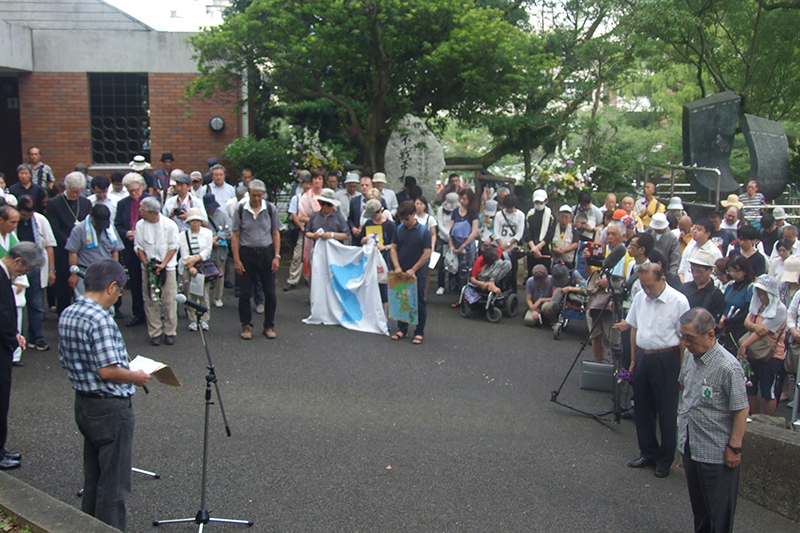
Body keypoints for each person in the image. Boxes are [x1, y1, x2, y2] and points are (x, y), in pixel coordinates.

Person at [58, 258, 150, 531]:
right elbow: (108, 371)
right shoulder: (100, 319)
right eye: (120, 290)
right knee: (114, 486)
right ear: (111, 287)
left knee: (93, 478)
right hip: (111, 407)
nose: (119, 295)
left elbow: (65, 360)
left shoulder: (69, 312)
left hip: (84, 403)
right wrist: (137, 375)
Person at [678, 307, 748, 533]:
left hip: (716, 451)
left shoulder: (728, 367)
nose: (686, 343)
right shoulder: (690, 355)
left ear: (710, 334)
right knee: (700, 509)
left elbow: (741, 409)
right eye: (683, 337)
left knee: (719, 513)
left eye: (690, 338)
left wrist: (734, 447)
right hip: (691, 443)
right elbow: (684, 385)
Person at [623, 263, 690, 479]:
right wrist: (633, 359)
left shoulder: (679, 301)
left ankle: (664, 459)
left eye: (650, 285)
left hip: (667, 357)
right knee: (642, 408)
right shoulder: (641, 297)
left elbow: (684, 340)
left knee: (667, 411)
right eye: (643, 285)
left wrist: (682, 370)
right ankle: (647, 452)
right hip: (644, 355)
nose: (647, 290)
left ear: (663, 280)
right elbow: (634, 327)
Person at [231, 179, 282, 340]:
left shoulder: (270, 209)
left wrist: (276, 256)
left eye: (260, 195)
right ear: (249, 194)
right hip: (247, 253)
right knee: (245, 293)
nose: (257, 199)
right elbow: (235, 235)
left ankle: (269, 325)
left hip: (266, 253)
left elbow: (275, 233)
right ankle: (246, 325)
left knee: (270, 293)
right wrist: (237, 259)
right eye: (254, 195)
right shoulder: (240, 209)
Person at [134, 197, 180, 346]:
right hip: (148, 267)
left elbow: (173, 247)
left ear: (153, 212)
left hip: (167, 267)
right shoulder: (140, 225)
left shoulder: (170, 225)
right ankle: (155, 332)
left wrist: (163, 264)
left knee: (169, 299)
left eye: (142, 210)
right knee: (150, 299)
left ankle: (170, 331)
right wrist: (148, 265)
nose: (140, 213)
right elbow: (139, 247)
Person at [738, 275, 786, 416]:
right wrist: (755, 326)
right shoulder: (758, 305)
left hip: (771, 355)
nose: (759, 295)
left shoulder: (780, 309)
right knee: (751, 388)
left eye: (762, 292)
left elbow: (763, 331)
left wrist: (744, 345)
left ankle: (768, 422)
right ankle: (755, 416)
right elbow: (748, 322)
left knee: (768, 392)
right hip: (755, 352)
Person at [47, 172, 93, 313]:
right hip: (63, 251)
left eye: (78, 192)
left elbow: (89, 226)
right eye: (73, 192)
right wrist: (71, 243)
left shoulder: (85, 202)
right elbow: (54, 228)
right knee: (64, 289)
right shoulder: (53, 203)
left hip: (83, 252)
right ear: (66, 187)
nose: (75, 195)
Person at [14, 196, 56, 351]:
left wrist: (51, 270)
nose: (26, 218)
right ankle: (16, 339)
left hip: (35, 268)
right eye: (24, 215)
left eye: (29, 215)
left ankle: (36, 337)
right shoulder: (13, 222)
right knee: (15, 306)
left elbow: (50, 246)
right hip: (16, 269)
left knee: (36, 306)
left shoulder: (40, 220)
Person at [389, 201, 432, 344]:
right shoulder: (399, 229)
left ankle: (419, 331)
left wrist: (414, 269)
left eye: (406, 218)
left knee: (419, 301)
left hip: (417, 272)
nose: (403, 222)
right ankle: (402, 328)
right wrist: (397, 266)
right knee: (401, 299)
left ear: (414, 214)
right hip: (401, 270)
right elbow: (393, 248)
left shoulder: (423, 231)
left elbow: (427, 253)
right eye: (401, 219)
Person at [113, 174, 151, 328]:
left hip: (147, 247)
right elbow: (117, 224)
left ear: (142, 187)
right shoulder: (123, 203)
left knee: (149, 282)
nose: (133, 193)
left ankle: (152, 313)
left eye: (135, 190)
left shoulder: (150, 200)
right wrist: (125, 233)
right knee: (135, 282)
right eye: (130, 191)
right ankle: (138, 313)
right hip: (130, 247)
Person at [66, 204, 124, 297]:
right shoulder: (79, 229)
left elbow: (115, 251)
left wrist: (114, 272)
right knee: (85, 301)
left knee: (107, 304)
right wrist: (74, 274)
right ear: (92, 217)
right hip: (85, 272)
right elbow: (73, 252)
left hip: (106, 273)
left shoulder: (111, 229)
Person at [179, 208, 214, 331]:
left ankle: (205, 319)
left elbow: (207, 250)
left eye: (197, 221)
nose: (195, 223)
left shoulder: (208, 233)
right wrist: (190, 266)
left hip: (203, 266)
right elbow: (184, 252)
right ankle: (192, 319)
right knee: (190, 293)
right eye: (192, 221)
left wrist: (195, 260)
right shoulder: (183, 235)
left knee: (204, 294)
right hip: (189, 267)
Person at [360, 199, 396, 311]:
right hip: (370, 259)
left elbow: (395, 245)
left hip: (384, 260)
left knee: (383, 288)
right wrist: (365, 239)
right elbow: (360, 240)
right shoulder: (368, 223)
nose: (372, 218)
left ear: (380, 211)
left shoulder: (390, 225)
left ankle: (384, 316)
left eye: (374, 215)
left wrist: (384, 247)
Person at [449, 189, 480, 307]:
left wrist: (463, 246)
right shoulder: (456, 212)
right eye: (461, 198)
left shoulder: (473, 213)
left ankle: (467, 298)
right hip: (456, 245)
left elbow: (473, 232)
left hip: (467, 247)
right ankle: (459, 297)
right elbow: (451, 230)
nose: (462, 201)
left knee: (467, 273)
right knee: (456, 272)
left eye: (465, 199)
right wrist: (452, 245)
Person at [718, 254, 755, 352]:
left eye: (736, 271)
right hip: (724, 330)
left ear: (745, 271)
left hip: (739, 331)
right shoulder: (730, 286)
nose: (732, 274)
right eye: (730, 271)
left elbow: (746, 313)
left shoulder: (750, 288)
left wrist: (726, 322)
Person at [284, 173, 313, 292]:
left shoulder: (316, 199)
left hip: (314, 231)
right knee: (297, 255)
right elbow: (293, 214)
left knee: (312, 255)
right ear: (302, 184)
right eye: (306, 183)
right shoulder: (297, 198)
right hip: (302, 230)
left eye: (310, 183)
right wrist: (301, 226)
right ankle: (293, 279)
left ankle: (309, 278)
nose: (308, 186)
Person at [680, 250, 726, 321]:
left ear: (710, 270)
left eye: (699, 271)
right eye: (692, 270)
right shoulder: (684, 288)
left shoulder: (716, 295)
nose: (695, 274)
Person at [203, 193, 231, 308]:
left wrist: (218, 238)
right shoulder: (202, 216)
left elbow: (229, 231)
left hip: (220, 249)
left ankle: (218, 297)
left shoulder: (223, 215)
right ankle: (204, 297)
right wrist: (210, 240)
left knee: (220, 274)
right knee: (205, 275)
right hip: (206, 250)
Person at [678, 218, 722, 283]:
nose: (695, 231)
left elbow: (716, 277)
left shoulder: (715, 252)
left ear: (707, 234)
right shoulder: (689, 247)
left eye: (699, 229)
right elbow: (681, 271)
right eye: (694, 228)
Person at [523, 189, 555, 278]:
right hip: (532, 250)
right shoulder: (529, 214)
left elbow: (550, 235)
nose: (539, 205)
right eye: (537, 202)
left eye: (541, 202)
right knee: (532, 276)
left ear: (546, 201)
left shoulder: (551, 215)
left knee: (545, 276)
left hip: (545, 250)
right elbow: (527, 233)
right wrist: (534, 248)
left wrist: (538, 247)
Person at [435, 192, 458, 295]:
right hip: (443, 239)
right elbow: (440, 224)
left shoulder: (458, 209)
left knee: (454, 262)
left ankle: (453, 284)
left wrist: (453, 236)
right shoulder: (441, 209)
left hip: (455, 239)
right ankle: (441, 285)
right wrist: (448, 235)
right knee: (441, 263)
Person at [549, 204, 580, 270]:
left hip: (568, 262)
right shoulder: (553, 228)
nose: (564, 219)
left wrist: (564, 251)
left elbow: (575, 244)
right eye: (562, 216)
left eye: (566, 217)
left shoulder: (574, 230)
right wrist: (555, 250)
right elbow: (548, 242)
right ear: (558, 217)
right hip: (555, 261)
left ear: (570, 218)